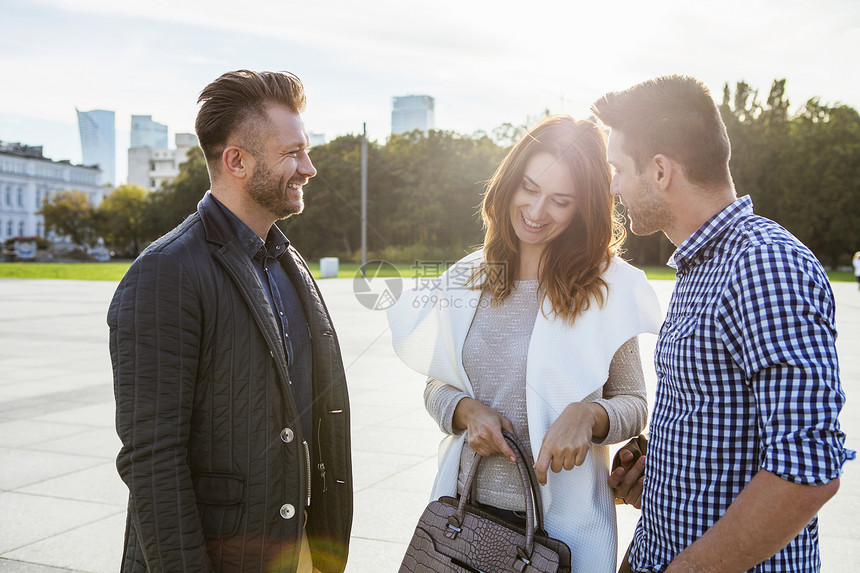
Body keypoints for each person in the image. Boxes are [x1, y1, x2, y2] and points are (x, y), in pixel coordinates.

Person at [594, 75, 854, 572]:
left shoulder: (764, 266)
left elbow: (805, 473)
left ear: (661, 171)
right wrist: (663, 463)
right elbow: (727, 418)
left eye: (618, 169)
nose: (614, 187)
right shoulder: (701, 267)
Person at [387, 115, 662, 572]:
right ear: (509, 184)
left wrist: (590, 416)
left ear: (584, 208)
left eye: (560, 201)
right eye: (529, 189)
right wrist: (465, 411)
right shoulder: (469, 277)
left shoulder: (605, 287)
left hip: (563, 532)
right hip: (463, 517)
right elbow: (437, 387)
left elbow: (634, 403)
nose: (536, 212)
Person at [108, 70, 353, 573]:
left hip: (300, 552)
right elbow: (152, 460)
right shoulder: (165, 272)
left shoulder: (288, 261)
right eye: (292, 153)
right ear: (236, 161)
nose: (308, 168)